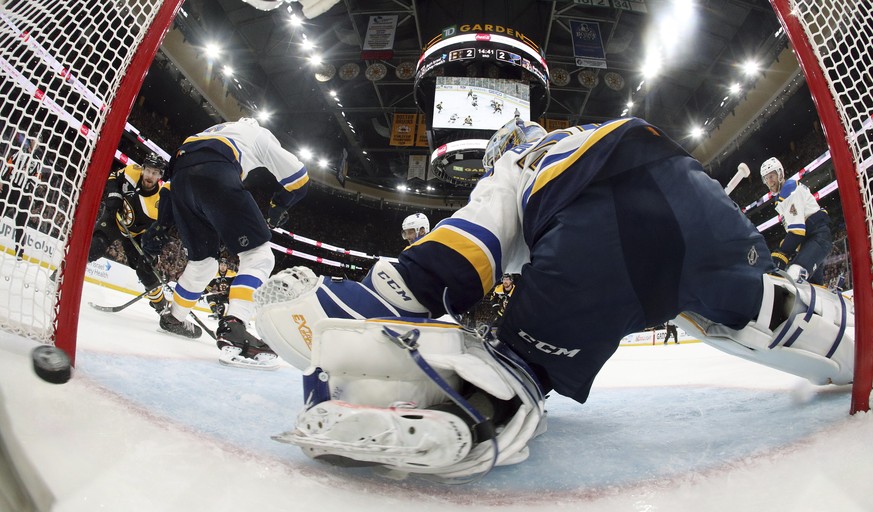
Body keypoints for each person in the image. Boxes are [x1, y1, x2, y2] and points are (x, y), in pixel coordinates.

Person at [254, 117, 854, 479]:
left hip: (604, 226)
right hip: (699, 199)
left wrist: (391, 291)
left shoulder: (516, 163)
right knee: (763, 309)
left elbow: (475, 241)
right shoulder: (578, 134)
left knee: (517, 367)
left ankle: (467, 410)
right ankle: (852, 344)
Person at [142, 117, 309, 366]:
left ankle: (174, 317)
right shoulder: (260, 135)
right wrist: (278, 206)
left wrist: (162, 224)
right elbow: (299, 179)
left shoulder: (211, 130)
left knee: (203, 264)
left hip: (180, 178)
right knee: (258, 256)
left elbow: (169, 184)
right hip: (217, 173)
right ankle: (235, 327)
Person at [61, 153, 170, 314]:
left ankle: (163, 308)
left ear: (160, 176)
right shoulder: (131, 171)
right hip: (114, 219)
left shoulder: (157, 204)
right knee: (94, 246)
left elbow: (159, 232)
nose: (150, 176)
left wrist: (153, 253)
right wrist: (114, 195)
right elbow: (113, 177)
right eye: (148, 171)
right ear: (143, 169)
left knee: (144, 269)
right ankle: (61, 275)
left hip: (135, 234)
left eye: (155, 173)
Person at [760, 157, 833, 284]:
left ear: (780, 174)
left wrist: (780, 254)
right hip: (810, 243)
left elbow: (797, 231)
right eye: (766, 178)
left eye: (771, 176)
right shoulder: (783, 195)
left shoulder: (789, 191)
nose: (770, 182)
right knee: (813, 286)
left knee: (794, 276)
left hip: (817, 239)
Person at [1, 136, 41, 260]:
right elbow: (8, 164)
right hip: (10, 186)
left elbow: (37, 180)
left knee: (21, 223)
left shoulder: (37, 161)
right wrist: (2, 180)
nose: (35, 144)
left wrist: (29, 189)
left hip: (23, 192)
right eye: (34, 141)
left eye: (37, 143)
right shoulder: (20, 152)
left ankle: (19, 254)